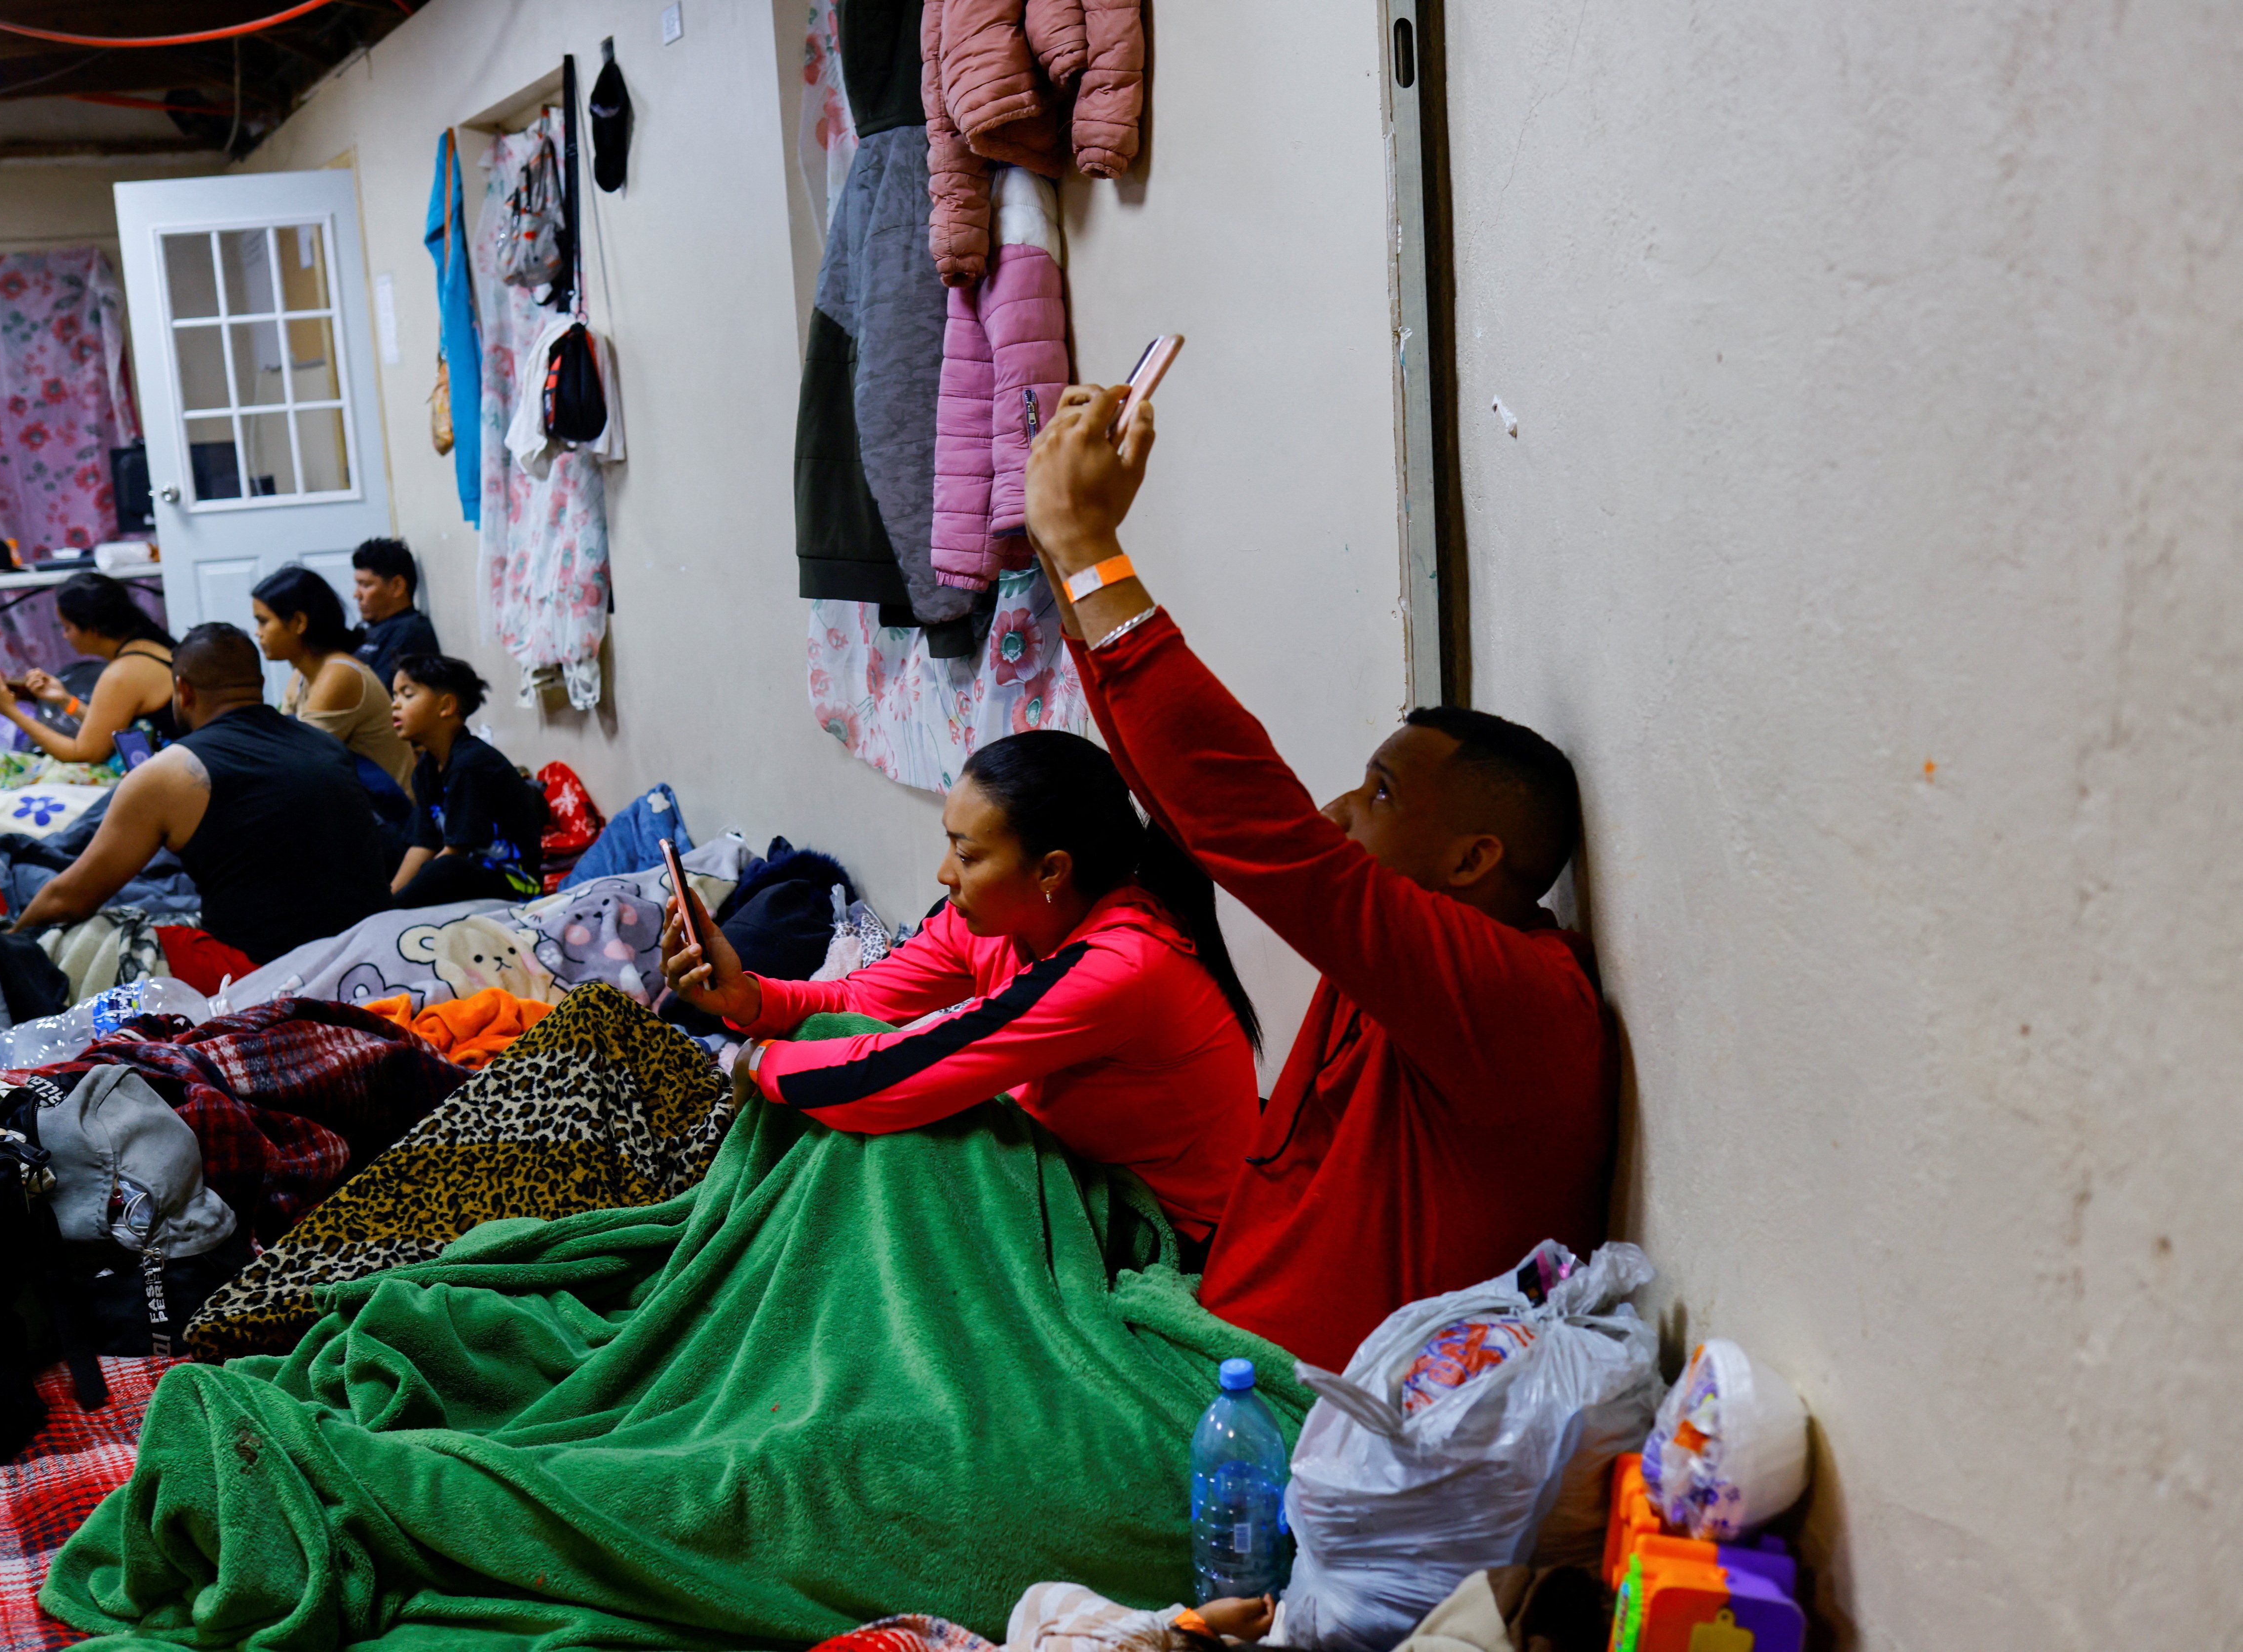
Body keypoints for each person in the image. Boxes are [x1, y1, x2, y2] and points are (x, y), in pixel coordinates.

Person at [1020, 383, 1616, 1372]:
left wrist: (1090, 547)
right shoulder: (1408, 963)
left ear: (1475, 857)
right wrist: (1059, 546)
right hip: (1213, 1336)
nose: (1342, 810)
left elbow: (1256, 823)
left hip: (1297, 1416)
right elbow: (1196, 811)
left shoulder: (1515, 1001)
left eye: (1379, 792)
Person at [664, 728, 1261, 1249]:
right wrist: (746, 998)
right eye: (949, 842)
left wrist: (759, 1062)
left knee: (879, 1146)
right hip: (1067, 1171)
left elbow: (900, 1078)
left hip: (1149, 1221)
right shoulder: (992, 918)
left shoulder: (1121, 966)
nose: (945, 873)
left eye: (968, 855)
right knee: (832, 1054)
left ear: (1050, 870)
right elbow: (859, 999)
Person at [13, 623, 391, 965]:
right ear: (258, 683)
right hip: (367, 951)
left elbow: (70, 899)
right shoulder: (325, 744)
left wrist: (10, 936)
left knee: (75, 930)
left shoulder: (171, 771)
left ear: (184, 690)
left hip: (263, 969)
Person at [387, 654, 546, 907]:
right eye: (394, 696)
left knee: (445, 869)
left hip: (514, 885)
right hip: (468, 872)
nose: (395, 705)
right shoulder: (427, 768)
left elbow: (455, 852)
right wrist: (390, 898)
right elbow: (423, 844)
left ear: (446, 707)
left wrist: (397, 907)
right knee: (387, 849)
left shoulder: (471, 765)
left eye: (408, 695)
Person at [251, 566, 415, 798]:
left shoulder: (338, 675)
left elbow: (298, 764)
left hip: (395, 820)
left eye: (264, 622)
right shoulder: (301, 676)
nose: (258, 633)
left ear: (299, 622)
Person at [0, 572, 179, 763]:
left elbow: (83, 754)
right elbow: (109, 727)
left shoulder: (124, 673)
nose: (66, 636)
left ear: (93, 628)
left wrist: (11, 712)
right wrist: (66, 701)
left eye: (68, 628)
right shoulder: (149, 646)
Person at [350, 537, 440, 690]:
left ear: (397, 586)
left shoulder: (412, 633)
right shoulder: (369, 628)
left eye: (366, 585)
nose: (357, 595)